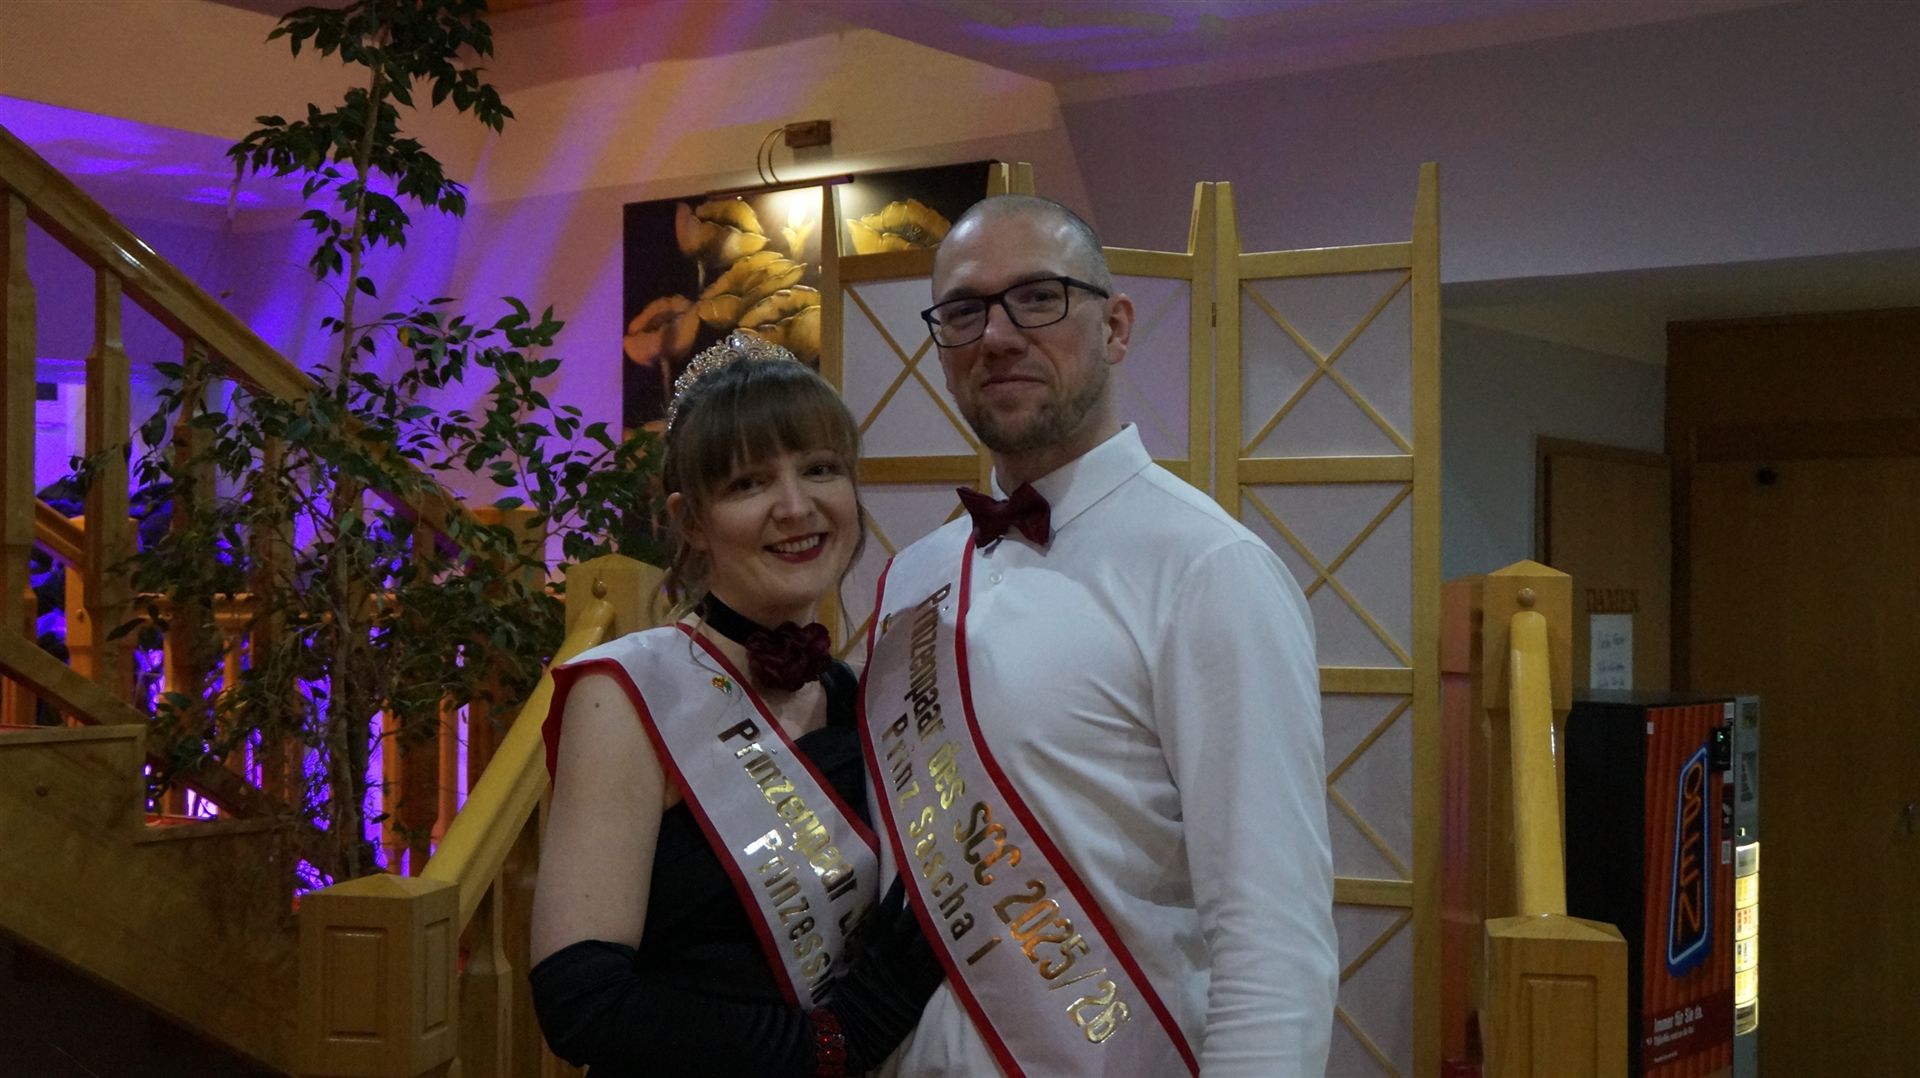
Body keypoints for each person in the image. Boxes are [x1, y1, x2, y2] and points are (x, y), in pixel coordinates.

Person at [859, 196, 1338, 1076]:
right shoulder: (911, 581)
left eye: (1038, 298)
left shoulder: (1211, 571)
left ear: (1115, 327)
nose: (997, 335)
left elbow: (1273, 936)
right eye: (963, 310)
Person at [529, 333, 944, 1076]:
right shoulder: (626, 692)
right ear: (691, 520)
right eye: (749, 483)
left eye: (820, 469)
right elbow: (583, 1001)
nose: (796, 506)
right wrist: (831, 1043)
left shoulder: (866, 698)